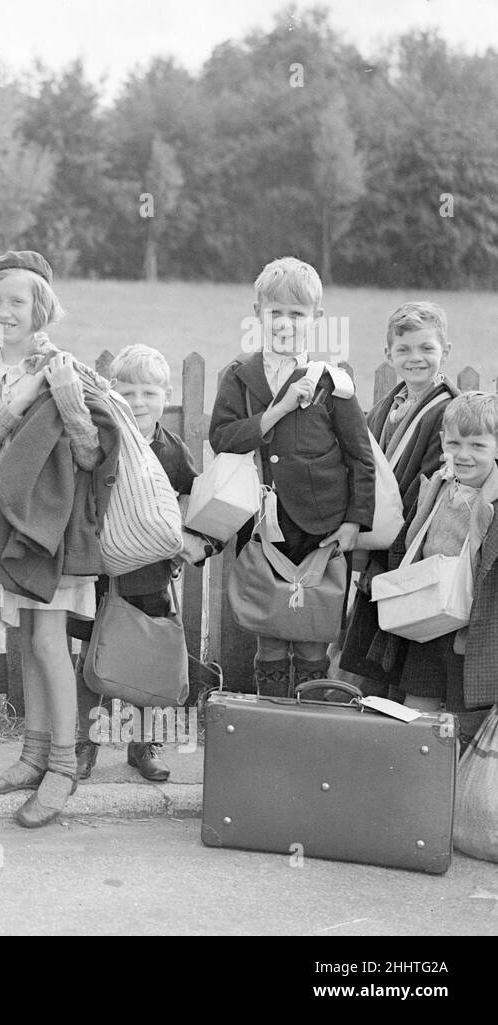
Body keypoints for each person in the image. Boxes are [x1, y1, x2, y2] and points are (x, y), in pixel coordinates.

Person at [0, 251, 103, 828]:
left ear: (40, 308)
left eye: (16, 300)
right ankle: (32, 755)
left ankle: (63, 768)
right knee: (24, 641)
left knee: (48, 642)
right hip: (8, 528)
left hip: (56, 527)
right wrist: (18, 403)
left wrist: (64, 393)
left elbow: (91, 450)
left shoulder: (66, 365)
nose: (4, 309)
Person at [209, 256, 376, 695]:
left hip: (320, 530)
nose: (285, 323)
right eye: (275, 312)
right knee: (270, 635)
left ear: (316, 319)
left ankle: (309, 728)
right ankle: (271, 725)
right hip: (265, 528)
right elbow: (222, 439)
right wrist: (279, 410)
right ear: (258, 313)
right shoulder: (239, 377)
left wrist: (354, 523)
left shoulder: (331, 382)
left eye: (297, 314)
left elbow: (361, 457)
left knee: (311, 640)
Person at [73, 344, 221, 783]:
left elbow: (197, 501)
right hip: (100, 570)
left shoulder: (171, 451)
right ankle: (87, 741)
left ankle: (144, 744)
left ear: (166, 396)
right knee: (92, 659)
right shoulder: (105, 439)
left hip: (151, 574)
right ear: (113, 393)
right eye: (128, 392)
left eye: (149, 393)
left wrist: (194, 546)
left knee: (149, 659)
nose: (138, 403)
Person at [339, 302, 458, 692]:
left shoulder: (447, 411)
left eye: (426, 348)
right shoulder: (387, 407)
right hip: (377, 544)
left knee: (398, 659)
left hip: (409, 549)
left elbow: (429, 488)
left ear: (446, 350)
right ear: (388, 354)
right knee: (369, 656)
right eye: (404, 349)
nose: (415, 358)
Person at [369, 392, 498, 751]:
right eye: (454, 443)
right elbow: (406, 540)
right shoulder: (438, 483)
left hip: (473, 633)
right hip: (426, 622)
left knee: (463, 724)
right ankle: (415, 789)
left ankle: (459, 800)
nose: (464, 454)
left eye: (477, 445)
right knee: (417, 714)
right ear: (442, 441)